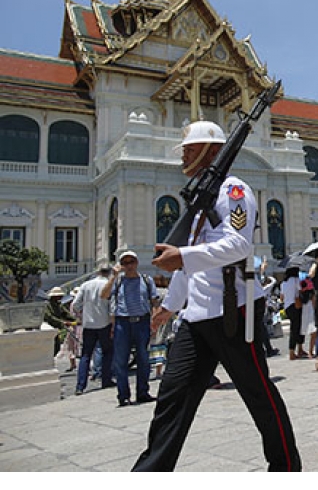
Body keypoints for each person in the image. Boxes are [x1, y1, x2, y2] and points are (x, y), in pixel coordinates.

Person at [132, 120, 301, 472]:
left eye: (190, 150)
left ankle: (286, 467)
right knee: (172, 399)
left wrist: (183, 257)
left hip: (232, 312)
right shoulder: (199, 198)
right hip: (196, 318)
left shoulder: (233, 190)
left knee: (258, 394)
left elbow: (238, 244)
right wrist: (169, 306)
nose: (183, 157)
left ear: (212, 151)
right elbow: (189, 260)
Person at [100, 250, 157, 406]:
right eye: (125, 263)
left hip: (142, 321)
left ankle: (143, 392)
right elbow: (103, 295)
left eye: (131, 262)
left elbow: (154, 301)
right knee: (120, 360)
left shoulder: (146, 280)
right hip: (122, 323)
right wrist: (113, 276)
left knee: (144, 359)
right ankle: (123, 395)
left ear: (137, 263)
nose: (129, 265)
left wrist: (155, 322)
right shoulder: (118, 282)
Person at [71, 265, 115, 394]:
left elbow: (76, 305)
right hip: (104, 323)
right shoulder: (109, 285)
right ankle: (106, 379)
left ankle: (80, 386)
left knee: (85, 355)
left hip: (88, 324)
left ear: (97, 272)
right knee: (107, 352)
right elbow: (112, 307)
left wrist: (82, 315)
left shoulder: (86, 285)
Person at [44, 286, 77, 370]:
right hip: (48, 328)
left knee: (57, 347)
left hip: (56, 329)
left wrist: (75, 320)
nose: (61, 297)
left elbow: (66, 314)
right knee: (50, 347)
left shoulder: (59, 305)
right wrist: (63, 323)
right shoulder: (47, 306)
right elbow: (50, 317)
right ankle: (47, 364)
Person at [281, 266, 305, 359]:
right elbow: (300, 291)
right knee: (297, 328)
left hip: (287, 307)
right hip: (296, 305)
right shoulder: (295, 280)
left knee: (294, 328)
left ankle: (294, 350)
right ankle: (296, 350)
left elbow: (282, 297)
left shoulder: (283, 283)